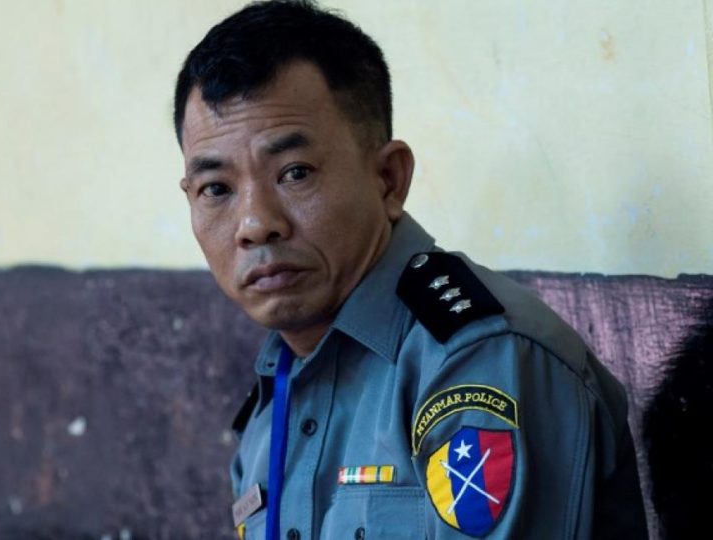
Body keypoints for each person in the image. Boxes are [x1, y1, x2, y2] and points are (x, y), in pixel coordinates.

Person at [172, 1, 648, 538]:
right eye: (216, 189)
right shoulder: (273, 399)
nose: (256, 224)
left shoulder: (477, 359)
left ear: (389, 180)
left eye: (295, 172)